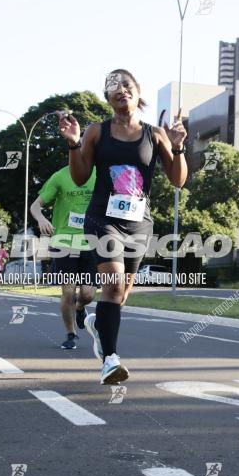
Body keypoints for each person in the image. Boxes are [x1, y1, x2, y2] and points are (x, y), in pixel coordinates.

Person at [58, 68, 187, 384]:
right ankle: (110, 361)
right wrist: (74, 145)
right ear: (107, 98)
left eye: (126, 84)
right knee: (114, 285)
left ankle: (98, 328)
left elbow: (177, 179)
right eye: (113, 86)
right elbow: (79, 177)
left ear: (137, 92)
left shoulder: (155, 134)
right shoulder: (96, 132)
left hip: (139, 224)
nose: (120, 89)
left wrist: (179, 146)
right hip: (103, 220)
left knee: (121, 294)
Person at [30, 164, 97, 349]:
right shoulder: (60, 176)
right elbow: (35, 206)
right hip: (64, 242)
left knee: (88, 294)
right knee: (68, 292)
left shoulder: (100, 174)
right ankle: (71, 334)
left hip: (91, 242)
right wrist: (42, 219)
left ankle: (81, 307)